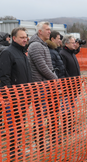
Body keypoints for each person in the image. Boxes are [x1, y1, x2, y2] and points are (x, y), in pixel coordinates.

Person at [0, 27, 32, 161]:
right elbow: (5, 77)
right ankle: (12, 152)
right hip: (14, 98)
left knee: (20, 124)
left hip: (25, 97)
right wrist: (10, 97)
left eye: (26, 37)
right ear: (14, 38)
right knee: (13, 125)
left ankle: (17, 149)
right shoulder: (8, 53)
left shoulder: (23, 53)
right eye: (22, 37)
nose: (25, 39)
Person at [28, 21, 58, 152]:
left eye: (49, 29)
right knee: (39, 116)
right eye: (47, 29)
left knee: (44, 115)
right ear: (40, 31)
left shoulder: (43, 44)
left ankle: (43, 142)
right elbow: (42, 67)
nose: (49, 31)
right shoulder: (35, 45)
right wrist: (55, 79)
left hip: (45, 85)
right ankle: (40, 144)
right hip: (39, 86)